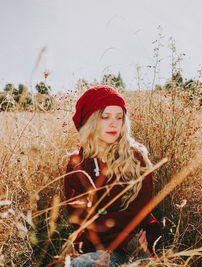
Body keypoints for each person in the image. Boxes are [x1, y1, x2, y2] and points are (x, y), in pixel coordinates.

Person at [62, 85, 162, 267]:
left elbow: (138, 213)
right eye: (105, 117)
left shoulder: (137, 158)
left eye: (119, 117)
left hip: (137, 246)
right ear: (89, 122)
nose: (114, 124)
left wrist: (128, 242)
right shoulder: (77, 165)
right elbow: (80, 220)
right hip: (96, 246)